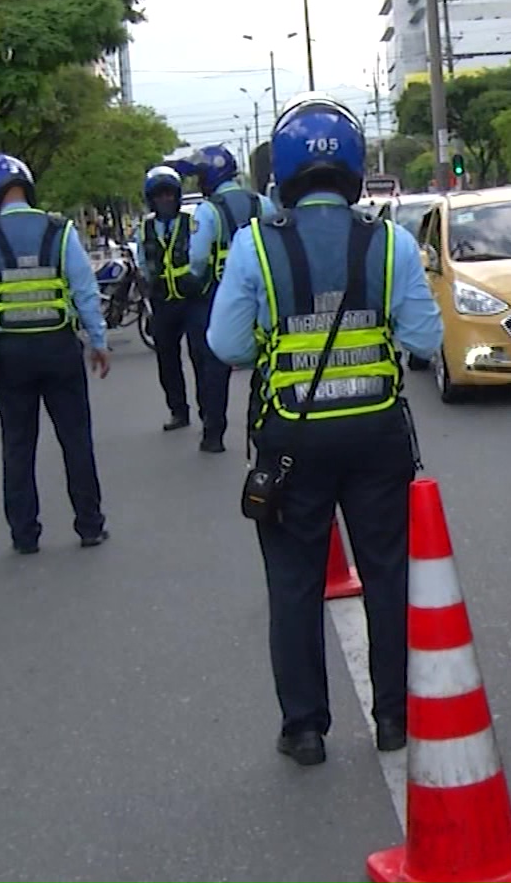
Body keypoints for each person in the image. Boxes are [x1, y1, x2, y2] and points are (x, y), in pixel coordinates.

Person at [207, 95, 442, 767]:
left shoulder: (256, 244)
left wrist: (273, 335)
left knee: (294, 582)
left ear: (280, 170)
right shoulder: (390, 243)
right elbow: (425, 340)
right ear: (353, 167)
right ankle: (395, 715)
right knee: (388, 574)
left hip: (291, 441)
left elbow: (229, 346)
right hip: (376, 437)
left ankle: (305, 728)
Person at [0, 153, 112, 555]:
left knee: (18, 444)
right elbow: (85, 291)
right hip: (60, 348)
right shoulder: (61, 231)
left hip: (11, 356)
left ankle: (25, 534)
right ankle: (90, 525)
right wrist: (98, 341)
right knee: (76, 439)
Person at [186, 144, 264, 454]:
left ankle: (214, 433)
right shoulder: (262, 203)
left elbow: (197, 259)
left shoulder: (208, 211)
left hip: (220, 297)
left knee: (215, 365)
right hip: (262, 296)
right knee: (266, 361)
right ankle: (261, 427)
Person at [139, 164, 205, 431]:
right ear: (151, 200)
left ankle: (207, 413)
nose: (165, 200)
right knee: (167, 360)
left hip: (190, 300)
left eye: (169, 194)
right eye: (159, 195)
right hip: (162, 301)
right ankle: (178, 411)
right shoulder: (144, 229)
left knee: (200, 357)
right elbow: (143, 263)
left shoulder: (193, 224)